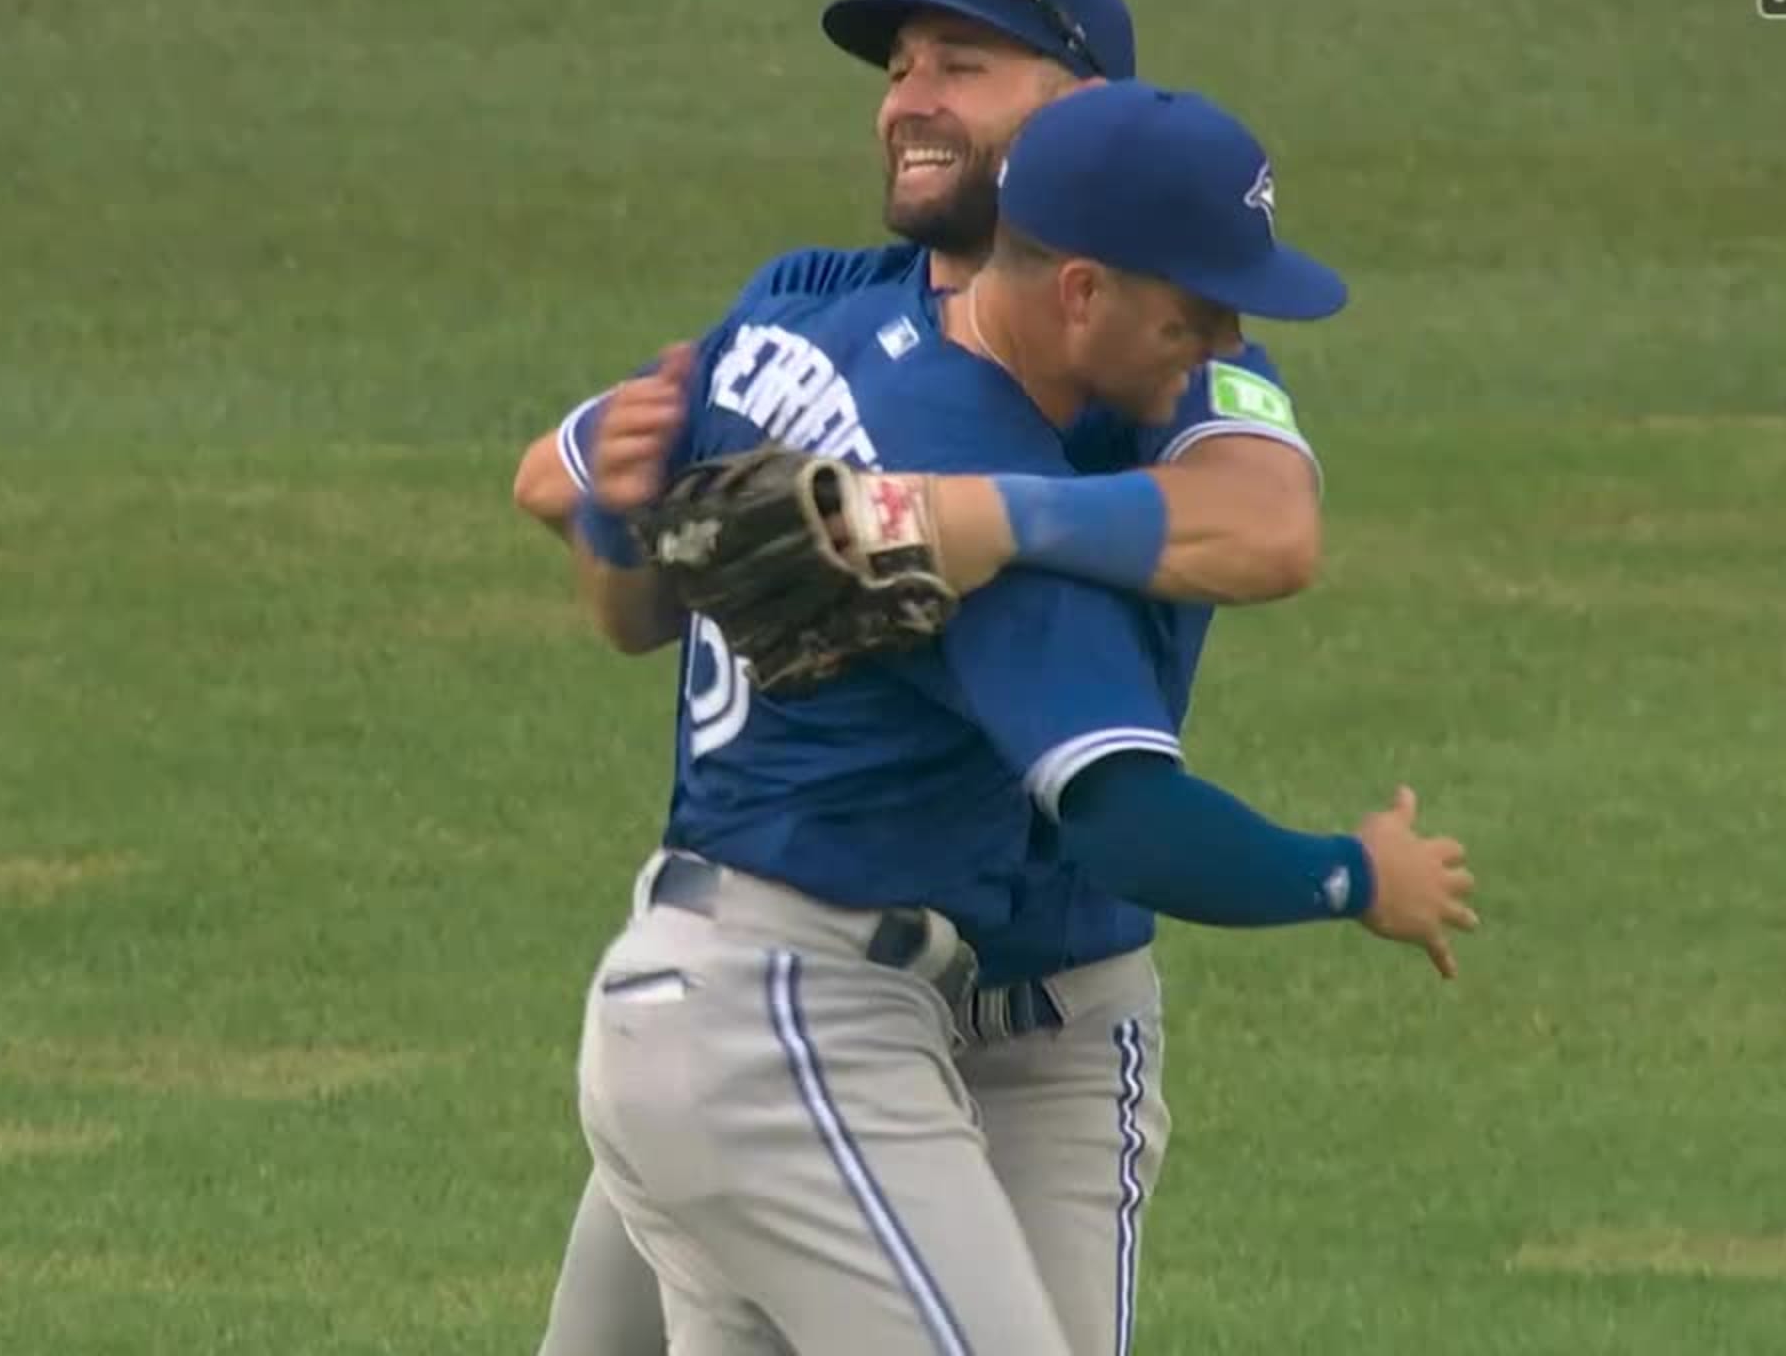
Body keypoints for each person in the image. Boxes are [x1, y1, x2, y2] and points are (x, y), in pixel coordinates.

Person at [564, 80, 1478, 1354]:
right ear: (1082, 292)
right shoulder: (962, 462)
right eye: (1196, 310)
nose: (1223, 342)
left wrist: (616, 512)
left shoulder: (799, 322)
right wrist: (1351, 877)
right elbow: (1126, 820)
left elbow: (608, 526)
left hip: (681, 1003)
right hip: (793, 1031)